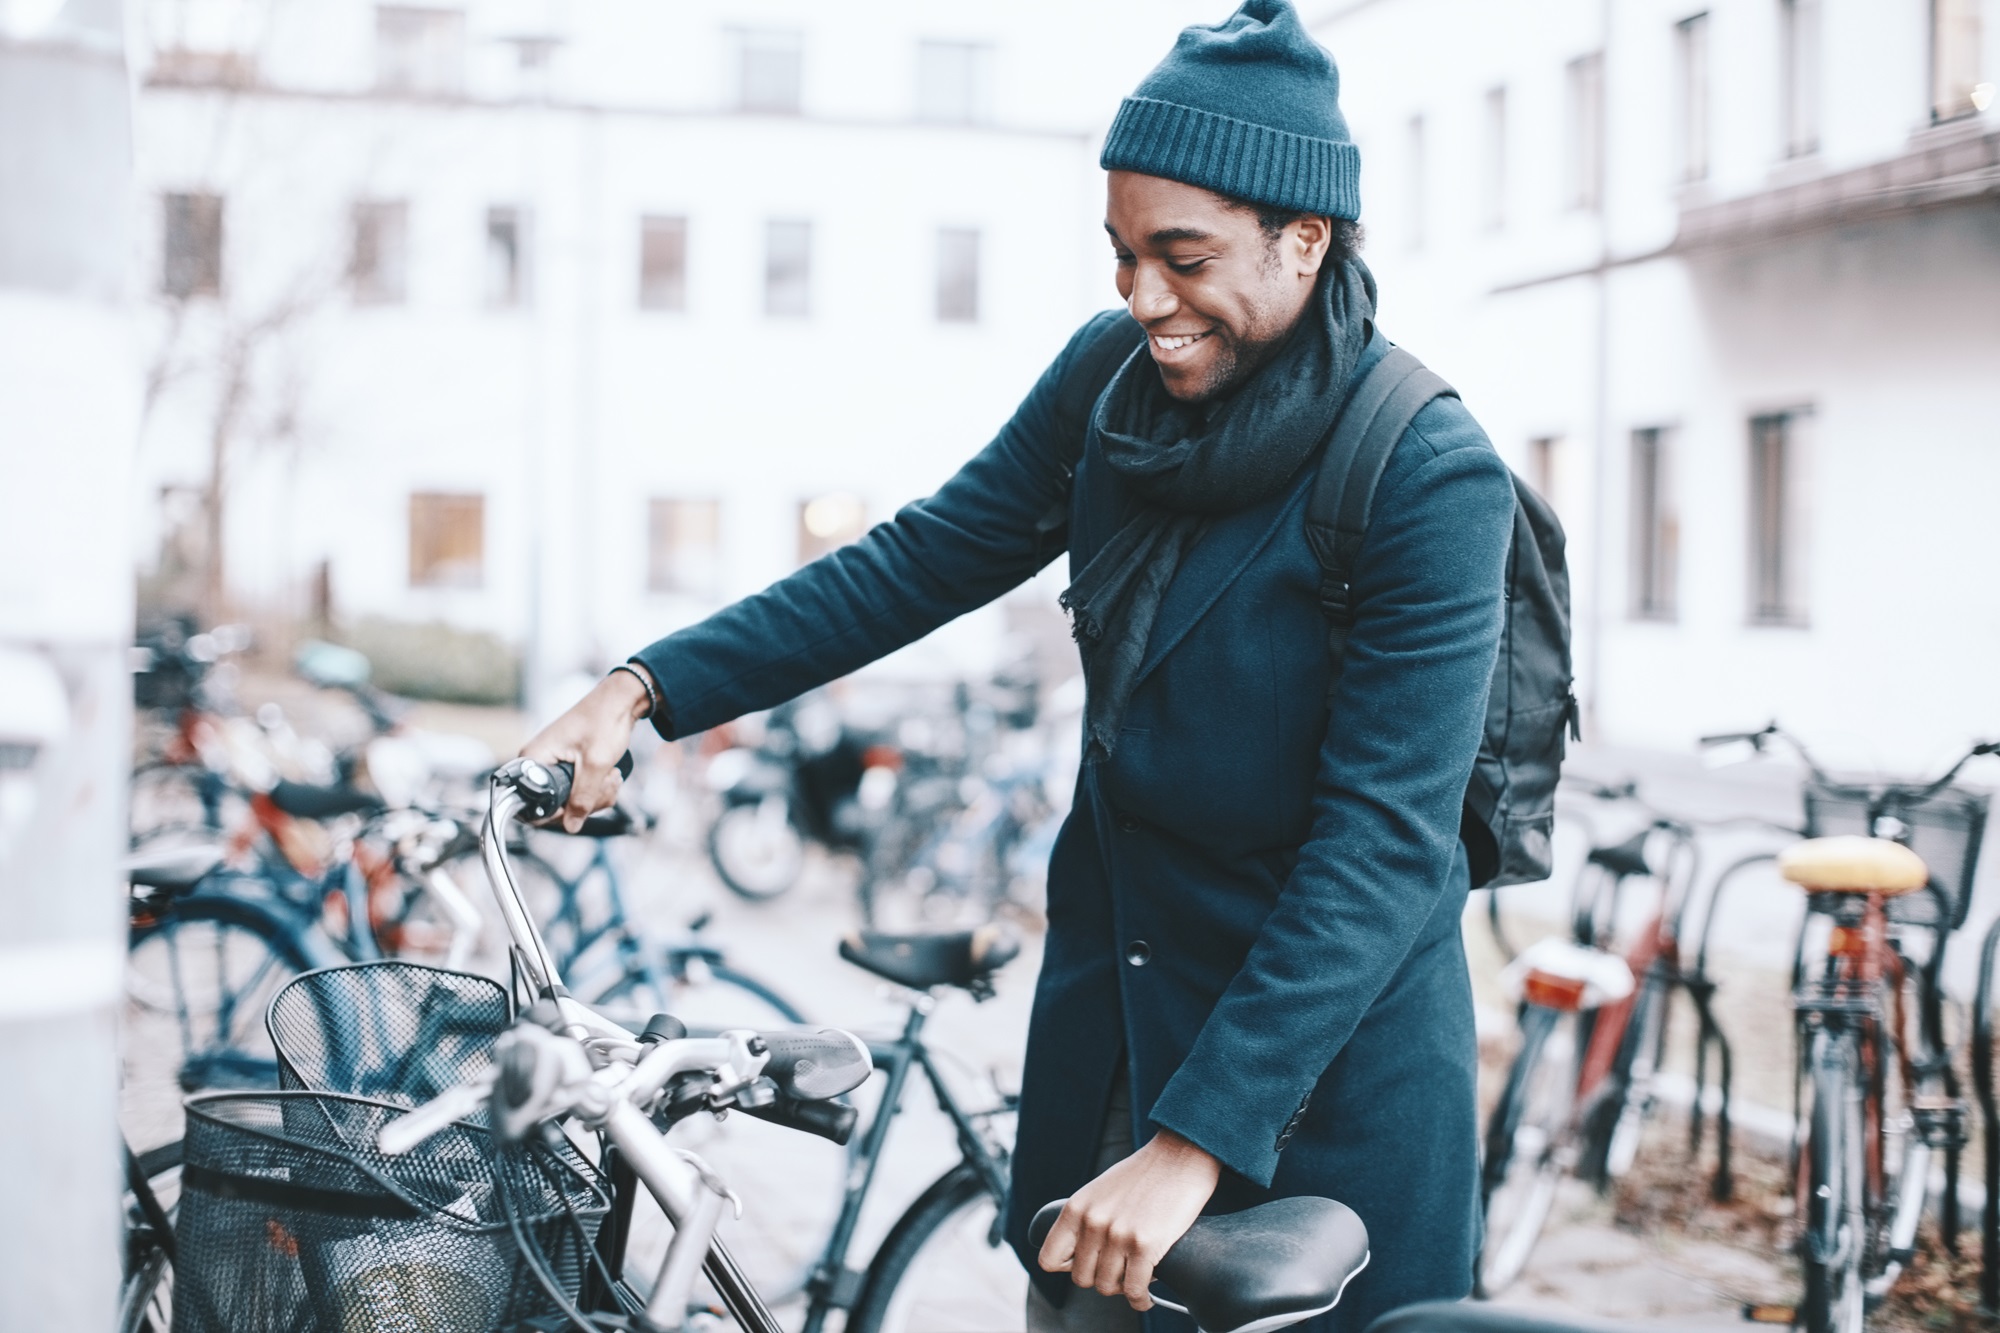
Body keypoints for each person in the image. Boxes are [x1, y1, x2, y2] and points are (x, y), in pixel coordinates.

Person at [523, 2, 1515, 1329]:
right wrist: (640, 689)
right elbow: (917, 562)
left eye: (1183, 257)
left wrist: (1195, 1143)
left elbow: (1383, 846)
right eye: (1123, 255)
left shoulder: (1425, 471)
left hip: (1318, 1088)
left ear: (1306, 237)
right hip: (1118, 1040)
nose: (1143, 298)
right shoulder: (1113, 386)